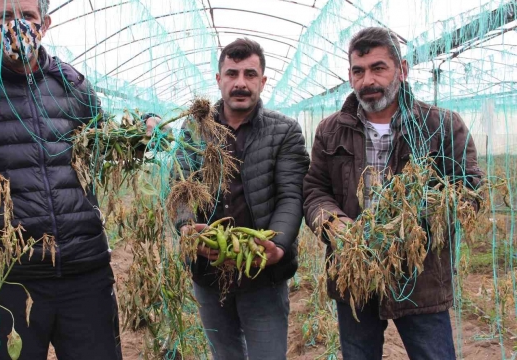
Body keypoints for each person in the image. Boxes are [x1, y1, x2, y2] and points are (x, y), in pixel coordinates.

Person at [0, 0, 154, 358]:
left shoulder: (72, 84)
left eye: (27, 16)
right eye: (7, 17)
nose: (18, 26)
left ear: (45, 23)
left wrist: (141, 131)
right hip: (12, 276)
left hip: (83, 269)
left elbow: (105, 150)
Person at [303, 27, 483, 360]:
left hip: (420, 276)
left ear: (401, 69)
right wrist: (334, 224)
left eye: (378, 68)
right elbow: (315, 189)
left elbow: (469, 188)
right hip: (353, 274)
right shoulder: (330, 130)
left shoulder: (441, 125)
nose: (367, 80)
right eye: (358, 71)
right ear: (349, 75)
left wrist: (413, 224)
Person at [166, 38, 310, 360]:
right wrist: (187, 226)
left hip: (263, 274)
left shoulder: (285, 131)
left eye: (250, 74)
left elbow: (291, 195)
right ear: (219, 80)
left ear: (263, 80)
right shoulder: (195, 129)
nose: (240, 83)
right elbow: (181, 188)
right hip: (208, 269)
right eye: (232, 74)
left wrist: (278, 244)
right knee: (225, 354)